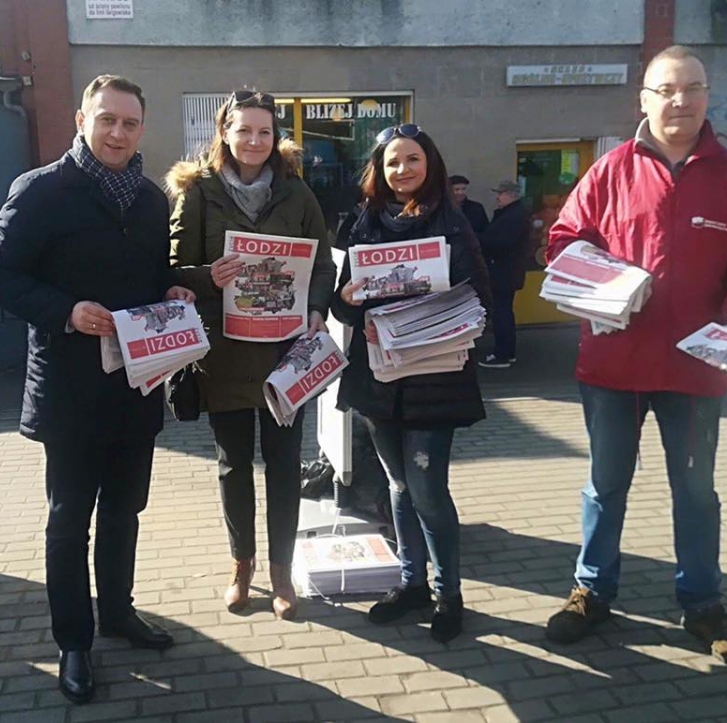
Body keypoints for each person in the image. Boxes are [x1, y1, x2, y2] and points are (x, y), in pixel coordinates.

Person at [543, 46, 727, 669]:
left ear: (707, 97)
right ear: (644, 99)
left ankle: (702, 605)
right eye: (667, 89)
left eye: (692, 88)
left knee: (697, 494)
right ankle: (592, 593)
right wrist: (605, 283)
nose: (680, 100)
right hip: (614, 365)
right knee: (605, 486)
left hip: (697, 369)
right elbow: (564, 243)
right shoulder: (610, 171)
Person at [0, 75, 192, 704]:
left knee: (125, 510)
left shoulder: (151, 200)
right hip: (70, 390)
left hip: (136, 384)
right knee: (69, 520)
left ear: (142, 129)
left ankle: (118, 614)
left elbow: (154, 274)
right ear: (82, 120)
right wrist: (67, 311)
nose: (117, 133)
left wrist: (172, 290)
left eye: (129, 123)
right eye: (106, 120)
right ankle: (74, 641)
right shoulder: (41, 190)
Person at [166, 90, 335, 621]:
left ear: (275, 136)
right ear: (225, 132)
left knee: (284, 465)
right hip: (224, 353)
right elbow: (172, 268)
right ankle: (242, 565)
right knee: (233, 465)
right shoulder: (199, 192)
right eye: (244, 130)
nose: (255, 141)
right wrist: (205, 277)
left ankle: (282, 571)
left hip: (286, 353)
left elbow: (322, 263)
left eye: (265, 131)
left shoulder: (296, 192)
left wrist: (317, 309)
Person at [332, 124, 491, 643]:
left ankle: (449, 594)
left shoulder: (453, 223)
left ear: (431, 164)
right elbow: (342, 304)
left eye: (413, 159)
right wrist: (348, 301)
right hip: (378, 379)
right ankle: (411, 583)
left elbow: (481, 298)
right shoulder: (364, 221)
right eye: (393, 162)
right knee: (398, 486)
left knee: (427, 490)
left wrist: (430, 315)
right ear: (379, 170)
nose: (402, 170)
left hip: (432, 378)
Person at [477, 179, 533, 369]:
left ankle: (503, 354)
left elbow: (501, 243)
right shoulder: (512, 214)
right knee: (503, 312)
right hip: (505, 272)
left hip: (503, 273)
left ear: (511, 195)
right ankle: (506, 352)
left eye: (500, 194)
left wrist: (478, 239)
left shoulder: (514, 216)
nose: (497, 198)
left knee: (502, 313)